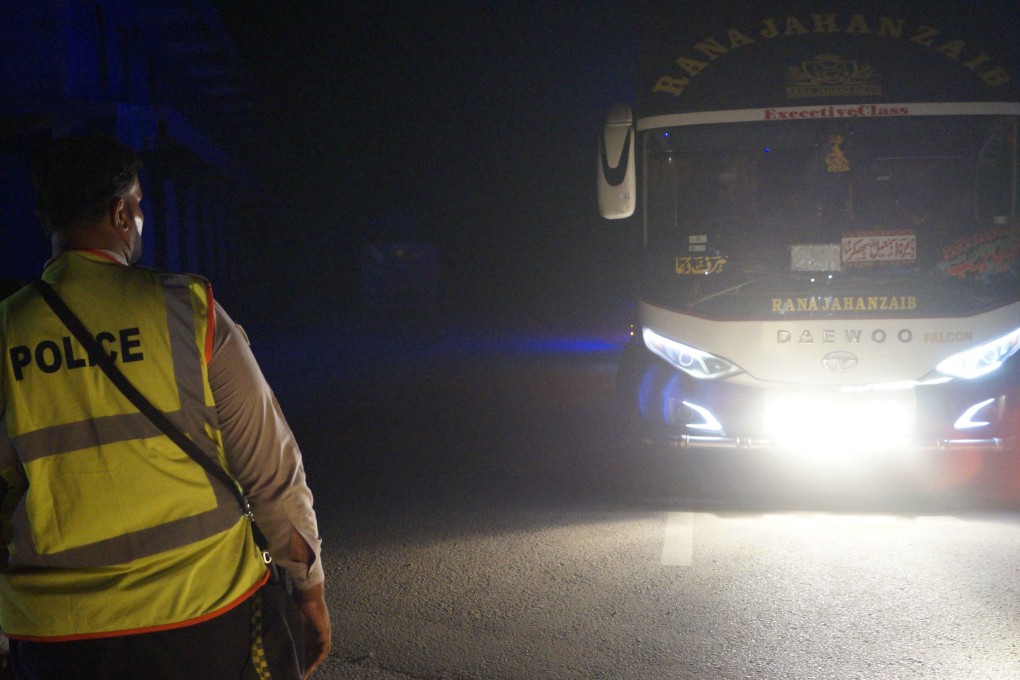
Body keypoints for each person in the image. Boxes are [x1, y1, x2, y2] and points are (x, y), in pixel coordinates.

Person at [0, 135, 330, 678]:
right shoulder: (190, 313)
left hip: (59, 636)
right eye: (141, 206)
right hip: (206, 616)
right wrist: (307, 586)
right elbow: (271, 470)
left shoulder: (9, 329)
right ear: (121, 212)